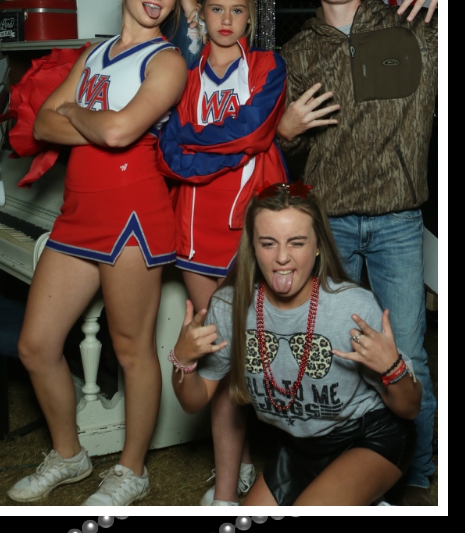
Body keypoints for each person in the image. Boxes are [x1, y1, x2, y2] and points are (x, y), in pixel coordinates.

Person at [8, 0, 187, 507]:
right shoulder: (95, 54)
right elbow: (41, 123)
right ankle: (70, 455)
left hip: (134, 215)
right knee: (35, 346)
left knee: (132, 349)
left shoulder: (168, 62)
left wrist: (79, 116)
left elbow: (120, 133)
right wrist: (96, 121)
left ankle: (131, 471)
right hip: (79, 213)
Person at [277, 0, 438, 503]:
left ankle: (416, 484)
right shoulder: (297, 53)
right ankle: (336, 476)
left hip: (397, 219)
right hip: (331, 225)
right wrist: (285, 131)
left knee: (408, 355)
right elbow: (281, 149)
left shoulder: (416, 29)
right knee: (332, 354)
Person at [170, 185, 420, 505]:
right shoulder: (229, 306)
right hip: (300, 449)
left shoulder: (351, 307)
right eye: (268, 243)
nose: (283, 257)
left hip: (369, 437)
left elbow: (410, 409)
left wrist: (393, 368)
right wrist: (182, 359)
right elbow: (194, 401)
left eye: (296, 243)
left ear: (317, 246)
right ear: (252, 247)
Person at [155, 0, 288, 505]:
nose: (226, 20)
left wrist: (198, 142)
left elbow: (256, 131)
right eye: (216, 9)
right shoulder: (180, 76)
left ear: (250, 16)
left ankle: (283, 474)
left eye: (237, 10)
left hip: (256, 234)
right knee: (219, 361)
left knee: (268, 354)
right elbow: (170, 156)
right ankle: (229, 493)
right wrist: (230, 150)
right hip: (194, 233)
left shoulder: (267, 67)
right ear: (200, 14)